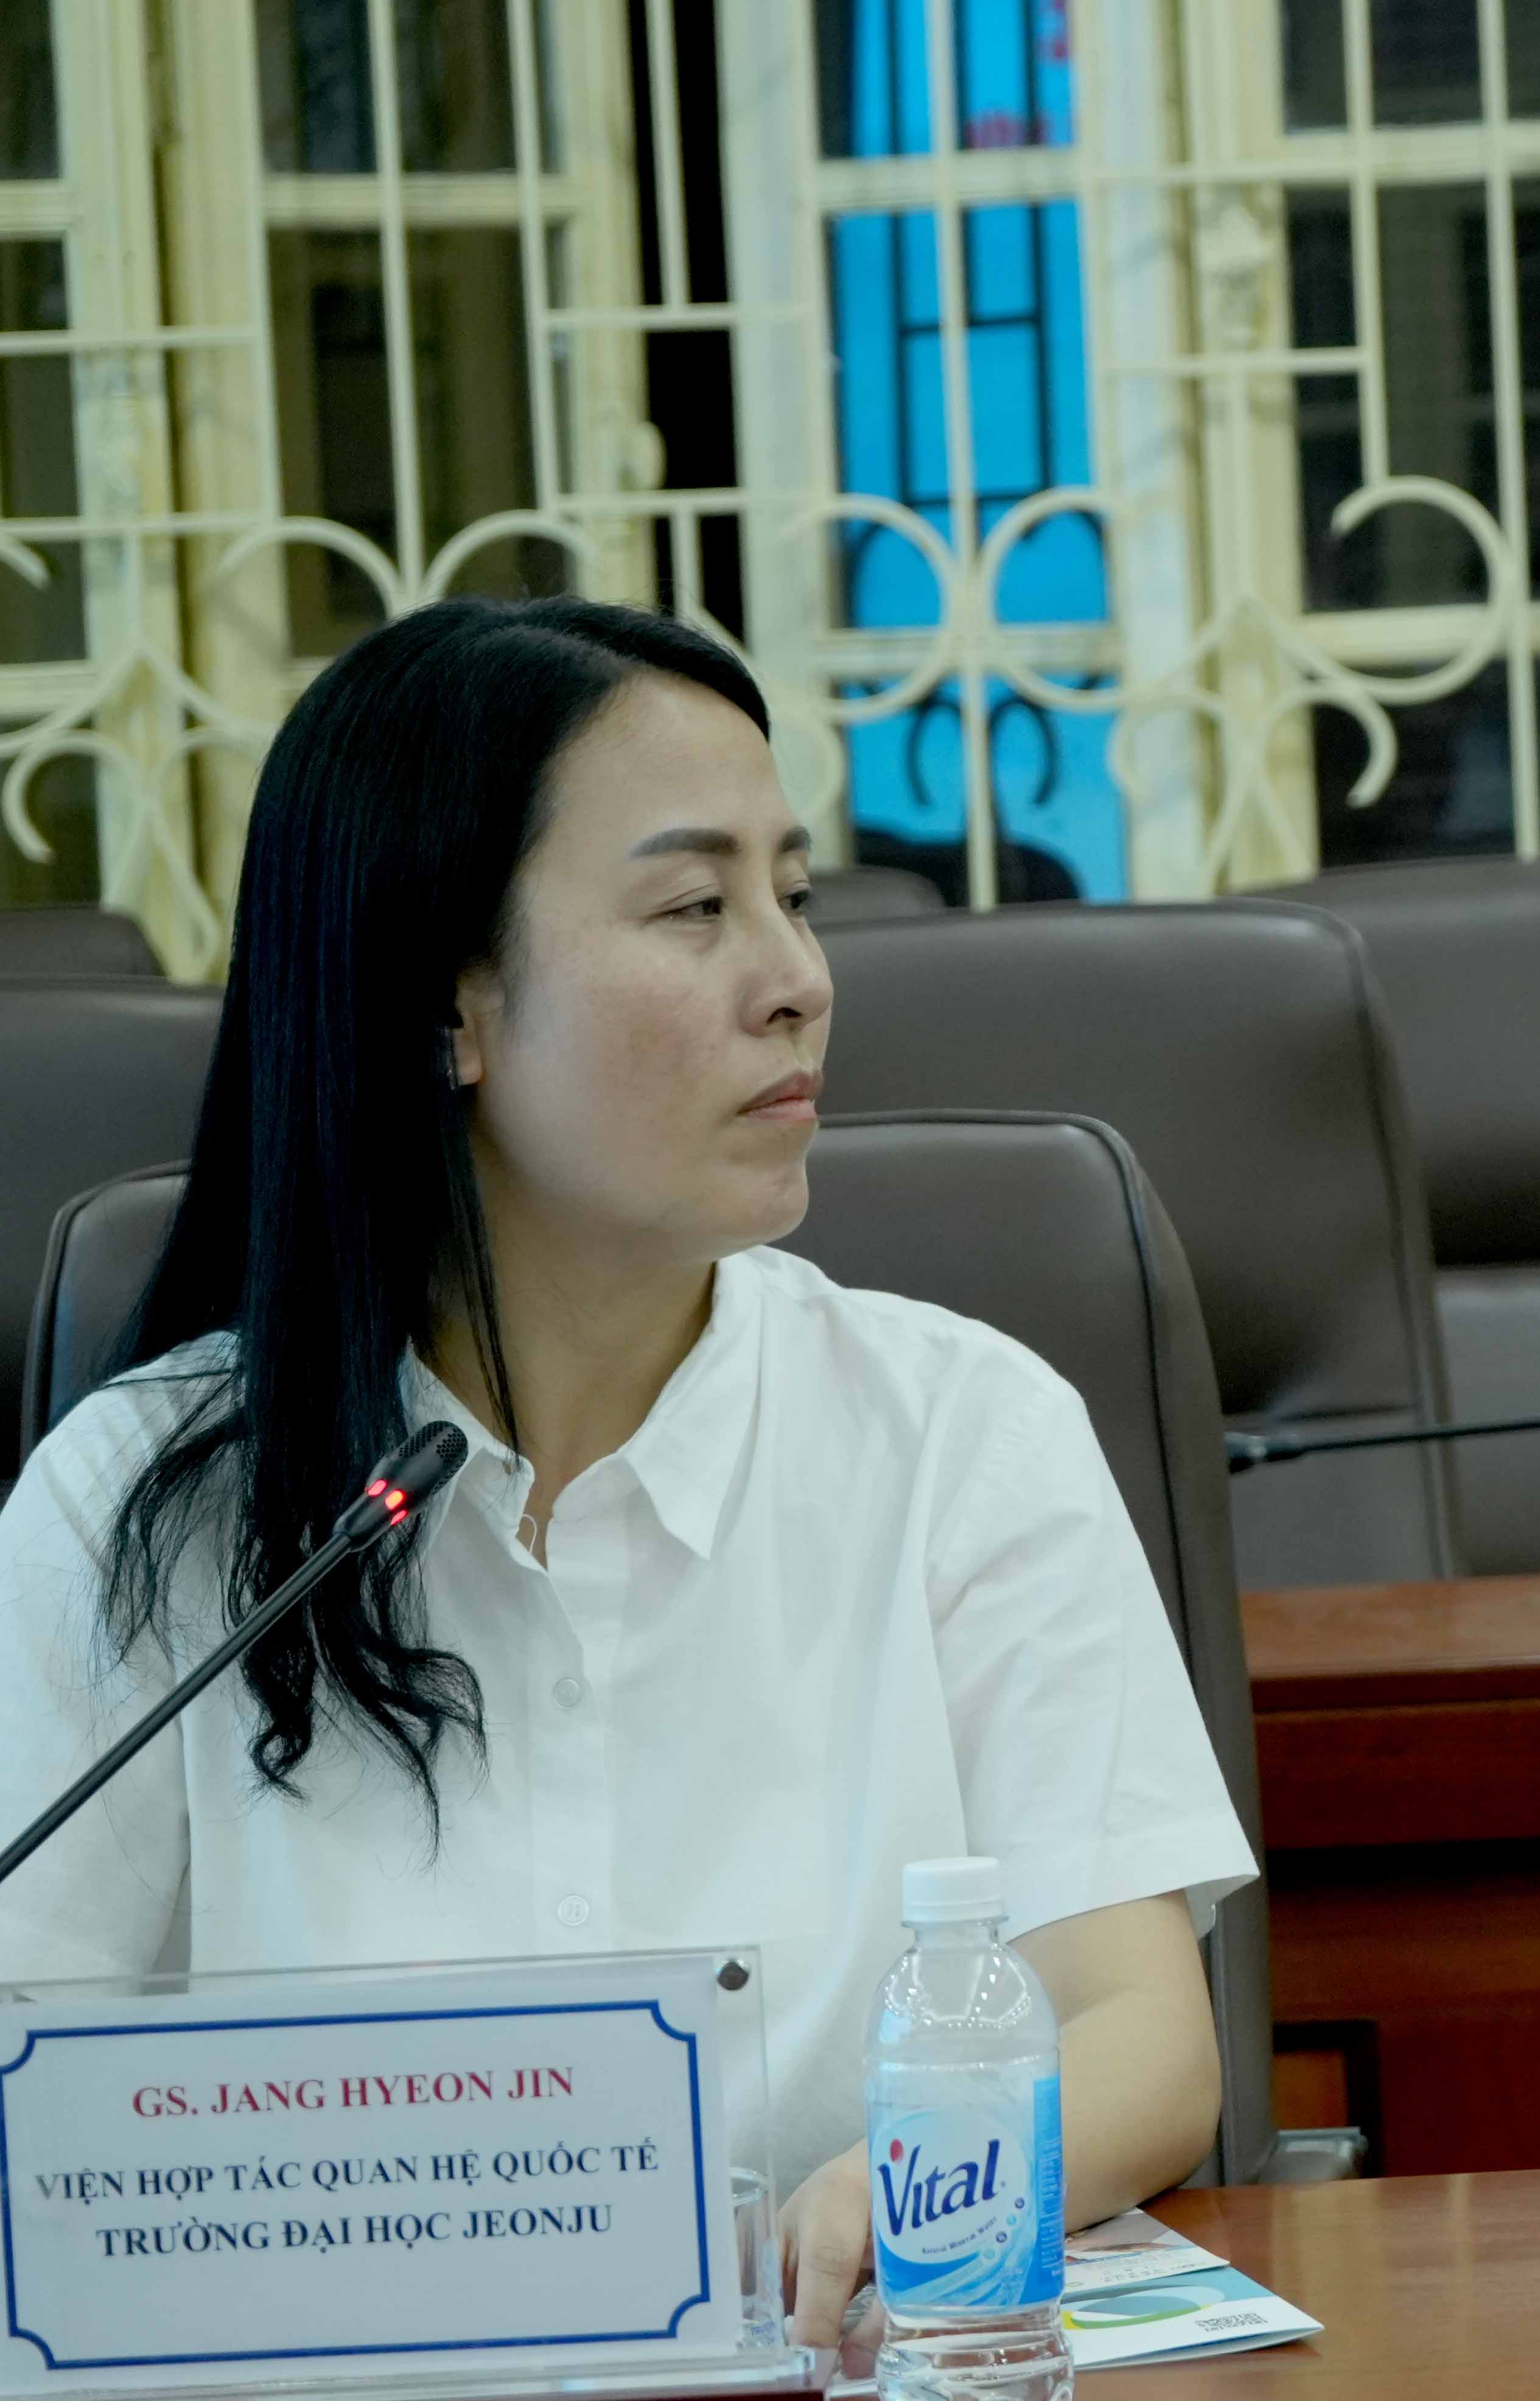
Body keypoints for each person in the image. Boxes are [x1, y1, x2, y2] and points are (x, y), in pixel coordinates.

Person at [0, 598, 1255, 2340]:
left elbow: (1142, 2033)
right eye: (694, 908)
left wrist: (910, 2185)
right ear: (446, 1004)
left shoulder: (962, 1435)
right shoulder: (143, 1507)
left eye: (795, 897)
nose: (798, 979)